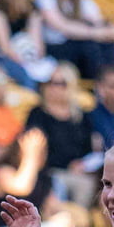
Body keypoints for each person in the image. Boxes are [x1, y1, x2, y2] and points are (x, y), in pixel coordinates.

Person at [25, 64, 99, 208]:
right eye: (50, 82)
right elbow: (34, 149)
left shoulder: (81, 116)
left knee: (87, 184)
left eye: (61, 83)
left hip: (78, 173)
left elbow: (90, 149)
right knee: (60, 184)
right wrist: (65, 165)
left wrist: (82, 164)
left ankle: (79, 226)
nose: (53, 87)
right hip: (49, 172)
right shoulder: (37, 114)